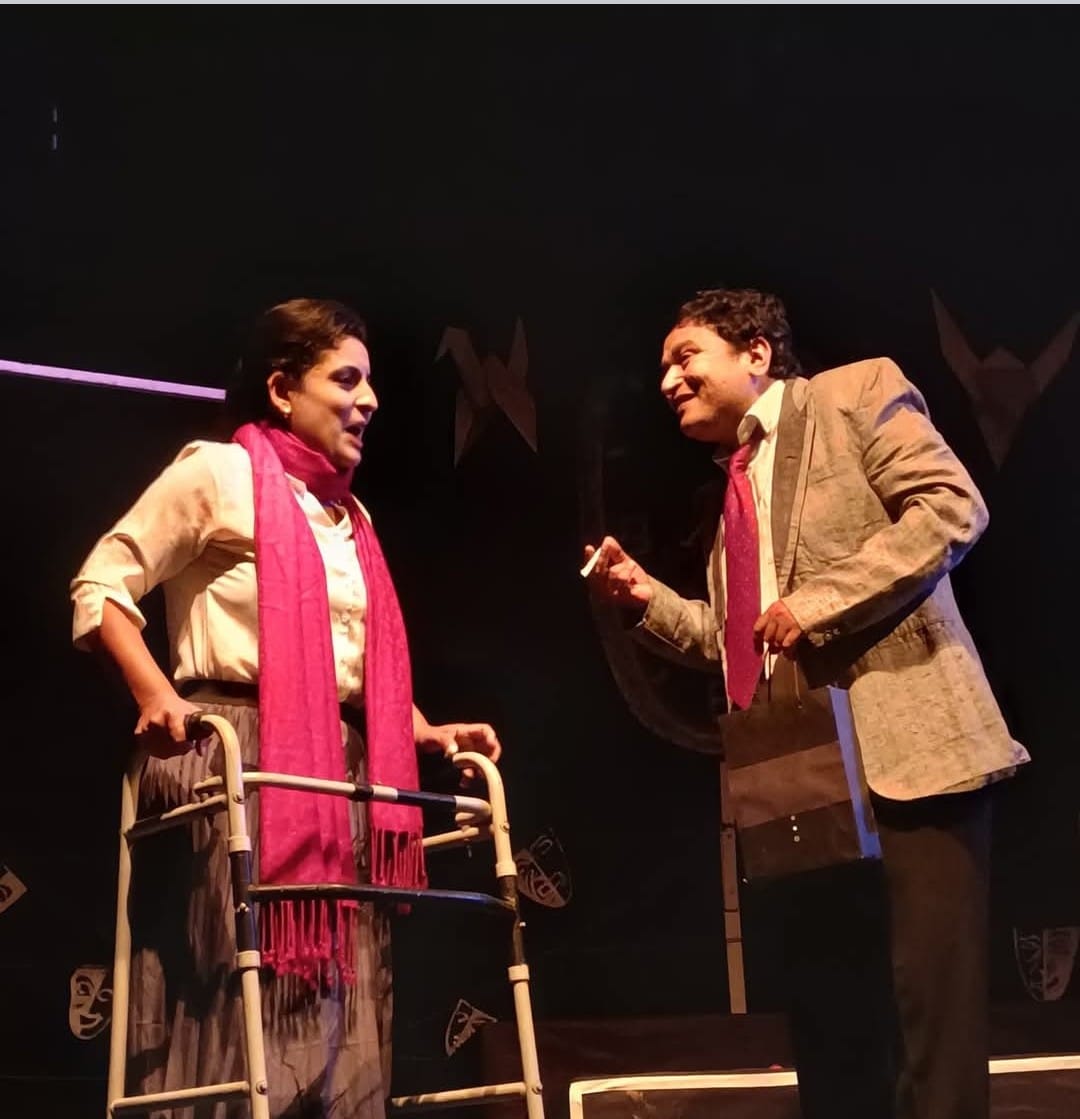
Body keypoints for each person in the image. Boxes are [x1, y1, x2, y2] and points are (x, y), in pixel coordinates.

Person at [584, 288, 1030, 1119]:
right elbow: (738, 640)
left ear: (756, 351)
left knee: (930, 1032)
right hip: (810, 793)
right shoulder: (731, 497)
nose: (668, 382)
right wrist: (648, 599)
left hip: (914, 758)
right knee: (835, 1034)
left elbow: (950, 508)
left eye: (686, 356)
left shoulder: (855, 393)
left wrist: (818, 601)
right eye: (664, 369)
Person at [71, 298, 502, 1119]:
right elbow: (101, 584)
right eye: (346, 379)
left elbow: (350, 662)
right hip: (233, 758)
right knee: (237, 1004)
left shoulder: (351, 514)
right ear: (281, 389)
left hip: (340, 774)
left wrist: (423, 729)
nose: (369, 399)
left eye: (369, 382)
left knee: (341, 1017)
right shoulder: (218, 473)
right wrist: (155, 691)